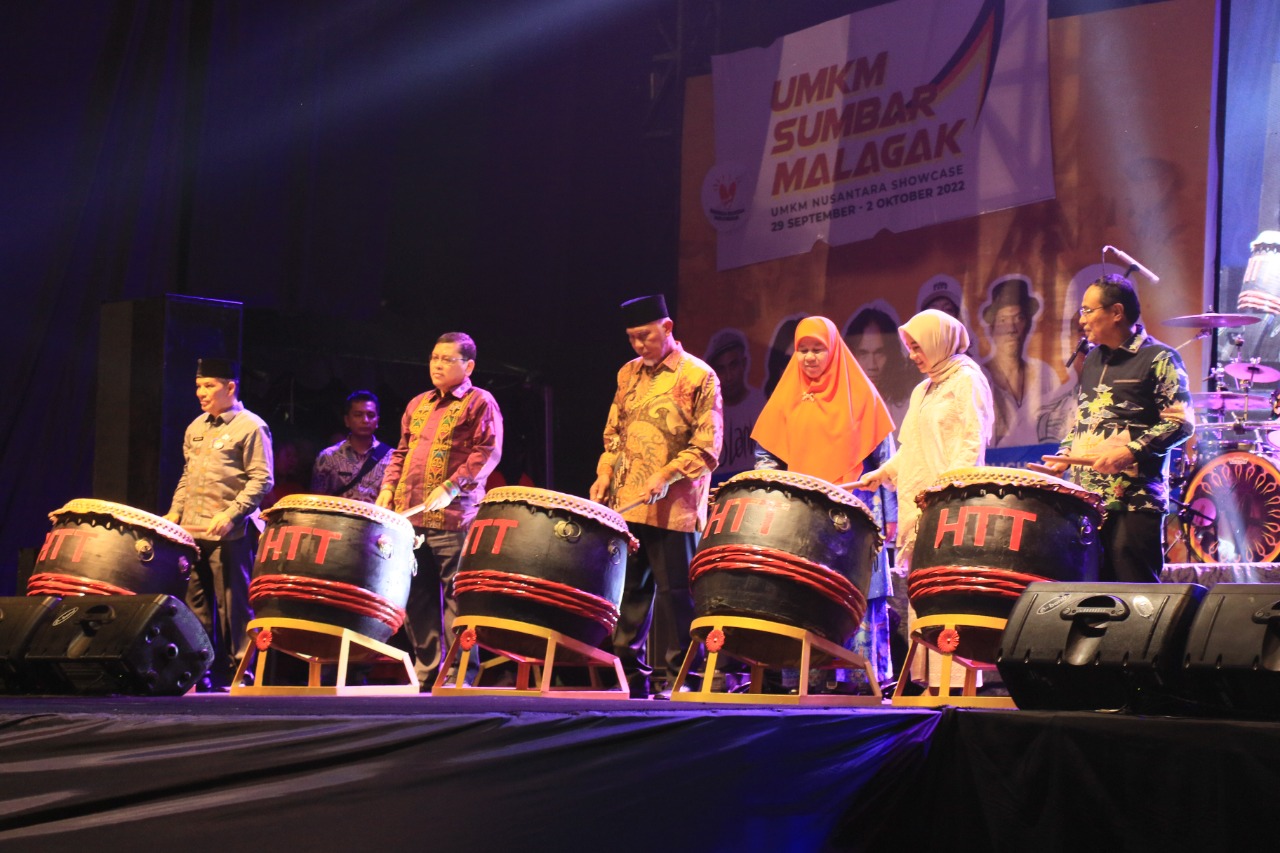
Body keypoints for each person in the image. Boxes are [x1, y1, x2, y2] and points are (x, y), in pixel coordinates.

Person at [750, 316, 897, 689]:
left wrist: (892, 517)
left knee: (856, 592)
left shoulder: (861, 396)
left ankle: (860, 680)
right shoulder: (787, 396)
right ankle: (809, 678)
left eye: (818, 349)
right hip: (802, 517)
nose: (810, 357)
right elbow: (766, 457)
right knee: (806, 591)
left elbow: (889, 465)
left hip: (855, 513)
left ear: (833, 351)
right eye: (803, 350)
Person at [852, 310, 994, 691]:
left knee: (950, 594)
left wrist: (948, 494)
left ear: (938, 341)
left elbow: (971, 444)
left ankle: (957, 686)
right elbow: (912, 449)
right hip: (922, 510)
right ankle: (932, 685)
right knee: (925, 594)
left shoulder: (967, 380)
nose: (913, 355)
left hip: (952, 508)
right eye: (910, 348)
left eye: (918, 347)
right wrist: (883, 473)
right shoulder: (923, 389)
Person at [589, 294, 723, 698]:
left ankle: (683, 678)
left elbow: (707, 446)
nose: (638, 345)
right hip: (627, 503)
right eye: (632, 337)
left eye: (645, 336)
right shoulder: (627, 373)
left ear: (667, 328)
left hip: (674, 506)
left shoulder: (699, 375)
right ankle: (629, 677)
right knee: (629, 593)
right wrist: (604, 473)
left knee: (677, 594)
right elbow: (614, 433)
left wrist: (666, 475)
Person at [1041, 273, 1194, 583]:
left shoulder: (1159, 357)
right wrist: (1066, 453)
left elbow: (1180, 423)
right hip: (1086, 499)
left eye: (1088, 310)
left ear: (1116, 312)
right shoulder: (1093, 359)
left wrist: (1129, 452)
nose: (1081, 319)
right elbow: (1088, 417)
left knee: (1135, 592)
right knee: (1091, 594)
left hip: (1134, 501)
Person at [377, 333, 503, 688]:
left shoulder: (480, 402)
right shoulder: (418, 403)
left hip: (454, 517)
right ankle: (428, 668)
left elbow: (487, 452)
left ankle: (459, 673)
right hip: (410, 518)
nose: (437, 365)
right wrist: (387, 488)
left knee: (457, 597)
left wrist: (452, 486)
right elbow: (401, 453)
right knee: (416, 596)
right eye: (434, 357)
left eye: (448, 359)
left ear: (469, 366)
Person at [164, 357, 274, 690]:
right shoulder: (195, 428)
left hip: (231, 533)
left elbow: (262, 479)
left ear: (230, 387)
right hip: (193, 532)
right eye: (198, 385)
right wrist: (175, 513)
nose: (201, 392)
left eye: (209, 385)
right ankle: (200, 671)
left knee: (234, 606)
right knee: (195, 605)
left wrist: (232, 513)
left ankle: (242, 673)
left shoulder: (251, 426)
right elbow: (187, 476)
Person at [978, 275, 1075, 448]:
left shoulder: (1045, 373)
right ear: (991, 328)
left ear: (1028, 325)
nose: (1011, 329)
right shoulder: (979, 377)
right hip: (990, 464)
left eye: (1019, 318)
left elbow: (1059, 428)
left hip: (1040, 462)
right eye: (1003, 320)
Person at [704, 328, 766, 485]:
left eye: (733, 365)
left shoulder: (761, 403)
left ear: (744, 364)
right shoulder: (707, 410)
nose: (729, 376)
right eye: (721, 369)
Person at [311, 390, 391, 503]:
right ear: (347, 420)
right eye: (358, 415)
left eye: (371, 415)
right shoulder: (327, 457)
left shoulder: (392, 458)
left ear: (377, 421)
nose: (365, 420)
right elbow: (316, 501)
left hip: (377, 514)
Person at [844, 306, 912, 435]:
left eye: (879, 353)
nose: (872, 365)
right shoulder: (840, 403)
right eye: (863, 353)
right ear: (851, 354)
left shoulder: (908, 405)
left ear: (891, 354)